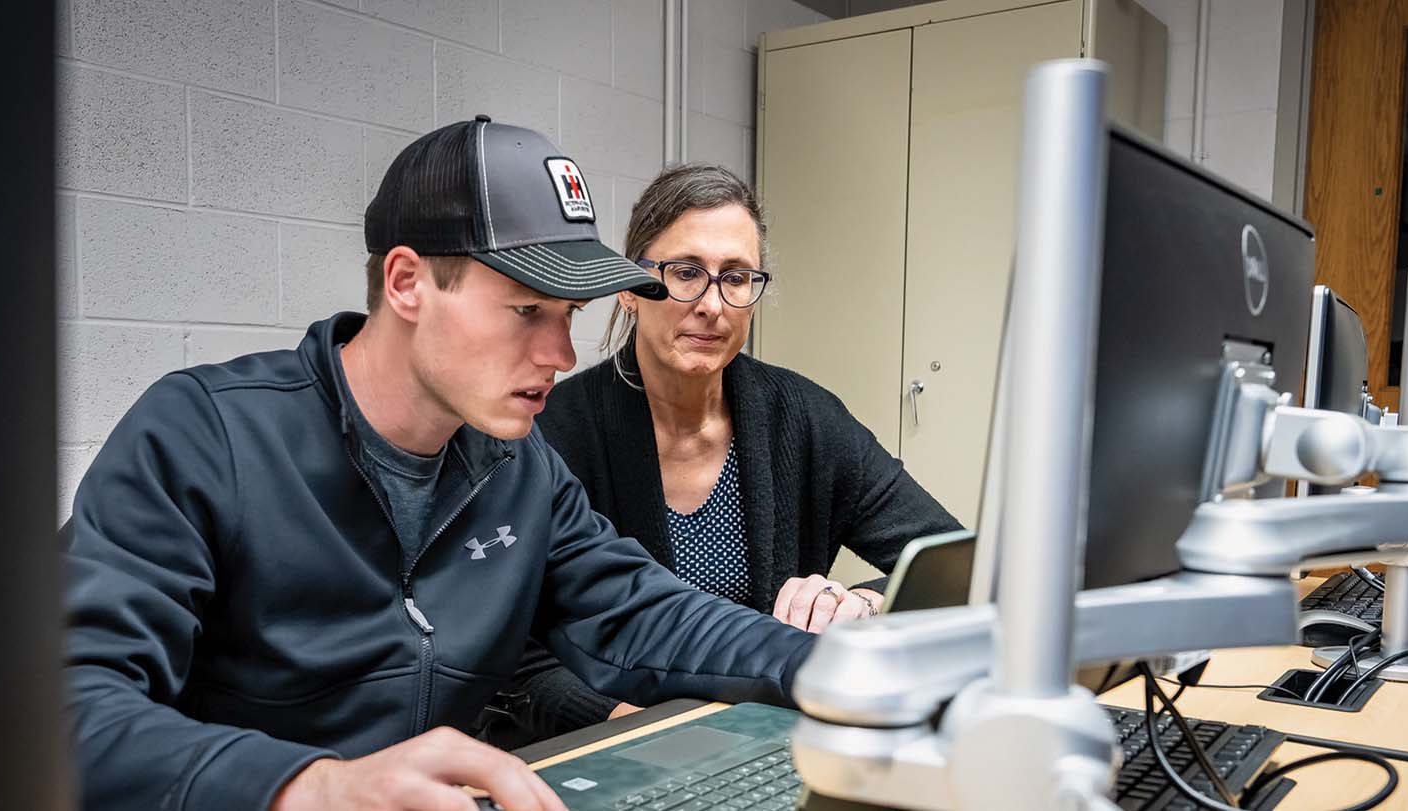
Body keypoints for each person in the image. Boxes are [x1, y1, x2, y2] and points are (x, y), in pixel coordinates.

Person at [61, 119, 817, 811]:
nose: (559, 356)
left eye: (568, 319)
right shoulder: (206, 433)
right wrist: (313, 787)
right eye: (527, 310)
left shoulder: (519, 467)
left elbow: (645, 613)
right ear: (406, 282)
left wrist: (830, 666)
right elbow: (67, 707)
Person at [500, 164, 962, 740]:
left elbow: (952, 565)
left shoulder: (802, 416)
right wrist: (626, 723)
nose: (713, 304)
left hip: (776, 730)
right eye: (686, 272)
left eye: (737, 277)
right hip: (617, 745)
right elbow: (511, 651)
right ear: (629, 287)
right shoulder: (552, 432)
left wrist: (863, 610)